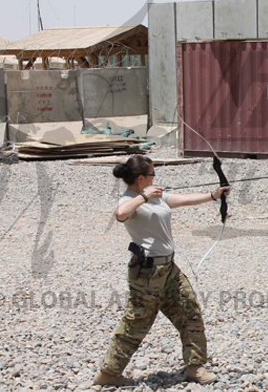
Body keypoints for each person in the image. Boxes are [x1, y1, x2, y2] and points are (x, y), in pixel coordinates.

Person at [94, 155, 230, 386]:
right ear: (140, 178)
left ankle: (195, 367)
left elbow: (181, 199)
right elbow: (120, 214)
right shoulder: (130, 199)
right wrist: (144, 196)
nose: (155, 178)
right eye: (152, 174)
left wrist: (213, 196)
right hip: (147, 273)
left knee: (190, 312)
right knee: (136, 322)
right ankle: (109, 373)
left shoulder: (157, 196)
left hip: (169, 269)